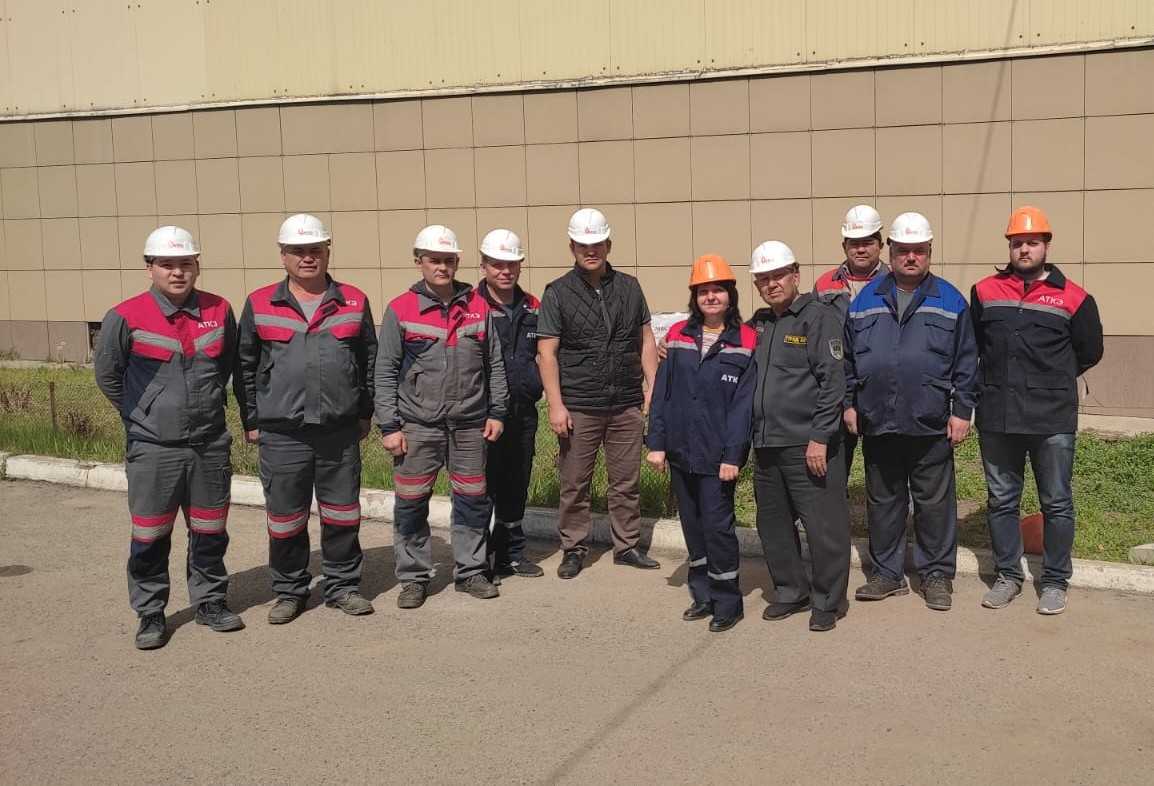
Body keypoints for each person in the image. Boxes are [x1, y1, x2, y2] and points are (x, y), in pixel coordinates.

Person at [95, 226, 242, 650]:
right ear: (150, 268)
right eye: (167, 264)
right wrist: (143, 413)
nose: (177, 272)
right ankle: (150, 612)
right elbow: (108, 376)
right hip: (154, 448)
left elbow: (226, 365)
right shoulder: (126, 316)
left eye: (185, 264)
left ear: (197, 265)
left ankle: (210, 601)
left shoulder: (219, 309)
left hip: (209, 444)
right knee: (150, 536)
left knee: (210, 531)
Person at [235, 214, 378, 625]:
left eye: (315, 249)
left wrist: (364, 413)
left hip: (338, 430)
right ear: (283, 255)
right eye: (298, 251)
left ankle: (343, 586)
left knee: (342, 514)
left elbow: (368, 361)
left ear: (328, 251)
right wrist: (251, 419)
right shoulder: (260, 303)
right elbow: (244, 366)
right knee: (285, 519)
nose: (307, 257)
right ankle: (289, 591)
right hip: (282, 432)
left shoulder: (354, 300)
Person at [971, 206, 1103, 615]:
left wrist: (1050, 380)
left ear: (1046, 245)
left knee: (1057, 502)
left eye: (1032, 242)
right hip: (998, 416)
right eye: (1017, 243)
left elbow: (1090, 350)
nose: (1024, 249)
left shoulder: (1075, 298)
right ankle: (1008, 576)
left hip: (1052, 418)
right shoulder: (984, 292)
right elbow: (974, 346)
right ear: (1009, 246)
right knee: (1001, 500)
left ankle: (1055, 581)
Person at [844, 212, 979, 612]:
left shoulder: (950, 300)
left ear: (929, 252)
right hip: (878, 420)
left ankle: (935, 575)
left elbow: (967, 361)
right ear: (891, 252)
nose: (911, 257)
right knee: (884, 502)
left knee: (934, 504)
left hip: (930, 421)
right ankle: (887, 574)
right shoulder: (865, 300)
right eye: (903, 250)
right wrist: (849, 403)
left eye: (919, 250)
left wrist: (962, 410)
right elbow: (848, 359)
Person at [375, 225, 509, 609]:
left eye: (449, 260)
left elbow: (495, 364)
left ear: (457, 262)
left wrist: (497, 411)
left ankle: (471, 571)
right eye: (434, 260)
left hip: (469, 424)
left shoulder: (478, 306)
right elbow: (385, 371)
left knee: (472, 500)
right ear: (419, 261)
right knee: (411, 503)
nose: (442, 267)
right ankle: (414, 578)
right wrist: (390, 425)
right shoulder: (401, 309)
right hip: (418, 426)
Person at [536, 208, 661, 579]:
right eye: (582, 245)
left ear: (608, 245)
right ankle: (574, 548)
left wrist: (653, 386)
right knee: (575, 484)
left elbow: (646, 340)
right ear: (572, 247)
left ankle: (627, 546)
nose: (590, 250)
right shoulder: (557, 293)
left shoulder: (630, 287)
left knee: (626, 483)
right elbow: (547, 353)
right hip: (580, 405)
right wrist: (556, 405)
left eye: (597, 243)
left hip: (625, 402)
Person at [646, 255, 757, 632]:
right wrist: (657, 442)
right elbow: (662, 393)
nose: (711, 297)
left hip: (717, 457)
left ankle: (727, 602)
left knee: (717, 528)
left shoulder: (746, 340)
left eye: (718, 290)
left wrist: (733, 456)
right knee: (692, 526)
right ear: (694, 296)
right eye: (703, 291)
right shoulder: (678, 335)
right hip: (681, 451)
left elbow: (743, 408)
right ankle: (703, 595)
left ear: (730, 295)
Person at [747, 241, 851, 632]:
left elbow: (833, 381)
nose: (772, 284)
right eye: (764, 278)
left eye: (778, 275)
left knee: (823, 527)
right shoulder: (759, 324)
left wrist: (820, 437)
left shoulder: (818, 317)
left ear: (795, 275)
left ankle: (828, 601)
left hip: (808, 444)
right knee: (773, 525)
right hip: (767, 442)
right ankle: (791, 591)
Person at [476, 229, 545, 579]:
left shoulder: (534, 305)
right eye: (497, 264)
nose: (505, 271)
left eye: (511, 264)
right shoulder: (470, 307)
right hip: (483, 415)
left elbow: (548, 353)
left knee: (516, 484)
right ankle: (480, 559)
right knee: (482, 487)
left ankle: (511, 554)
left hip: (523, 411)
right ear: (484, 265)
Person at [814, 205, 888, 476]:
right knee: (835, 465)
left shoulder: (895, 282)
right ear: (844, 246)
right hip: (836, 386)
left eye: (868, 242)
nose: (861, 249)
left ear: (880, 245)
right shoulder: (825, 285)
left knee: (885, 468)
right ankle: (834, 503)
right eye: (854, 243)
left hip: (881, 386)